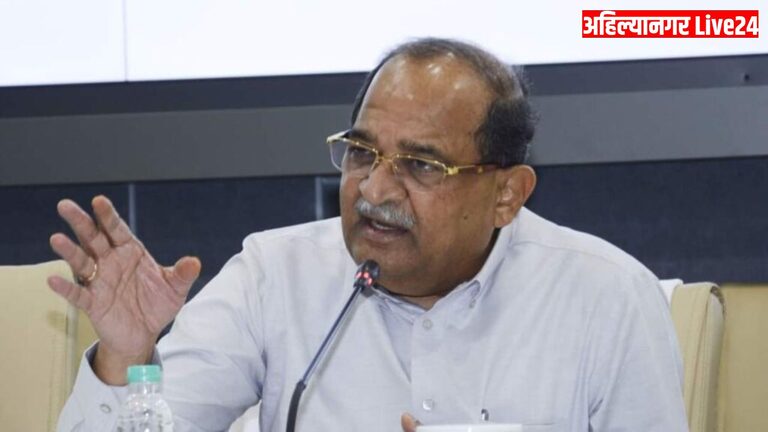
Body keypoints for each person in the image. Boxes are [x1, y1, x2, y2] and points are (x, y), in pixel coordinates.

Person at [51, 38, 687, 432]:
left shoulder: (608, 298)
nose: (376, 190)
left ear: (506, 195)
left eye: (422, 165)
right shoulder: (274, 276)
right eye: (362, 153)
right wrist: (127, 357)